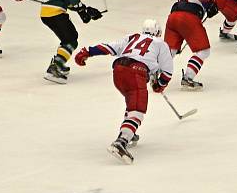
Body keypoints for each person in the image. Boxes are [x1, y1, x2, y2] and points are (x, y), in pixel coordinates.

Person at [74, 19, 174, 164]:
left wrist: (87, 52)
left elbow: (108, 48)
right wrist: (160, 84)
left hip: (118, 72)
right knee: (137, 110)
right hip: (135, 73)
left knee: (131, 101)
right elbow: (167, 72)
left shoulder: (132, 38)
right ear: (157, 32)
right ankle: (121, 141)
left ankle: (128, 131)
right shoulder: (160, 44)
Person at [40, 0, 103, 84]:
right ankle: (55, 67)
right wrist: (82, 12)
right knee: (71, 40)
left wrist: (86, 10)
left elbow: (69, 3)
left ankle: (58, 62)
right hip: (55, 13)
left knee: (68, 39)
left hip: (48, 13)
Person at [164, 0, 218, 90]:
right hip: (188, 18)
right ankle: (188, 77)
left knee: (169, 51)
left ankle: (155, 73)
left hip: (173, 16)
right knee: (203, 51)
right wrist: (208, 6)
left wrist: (209, 3)